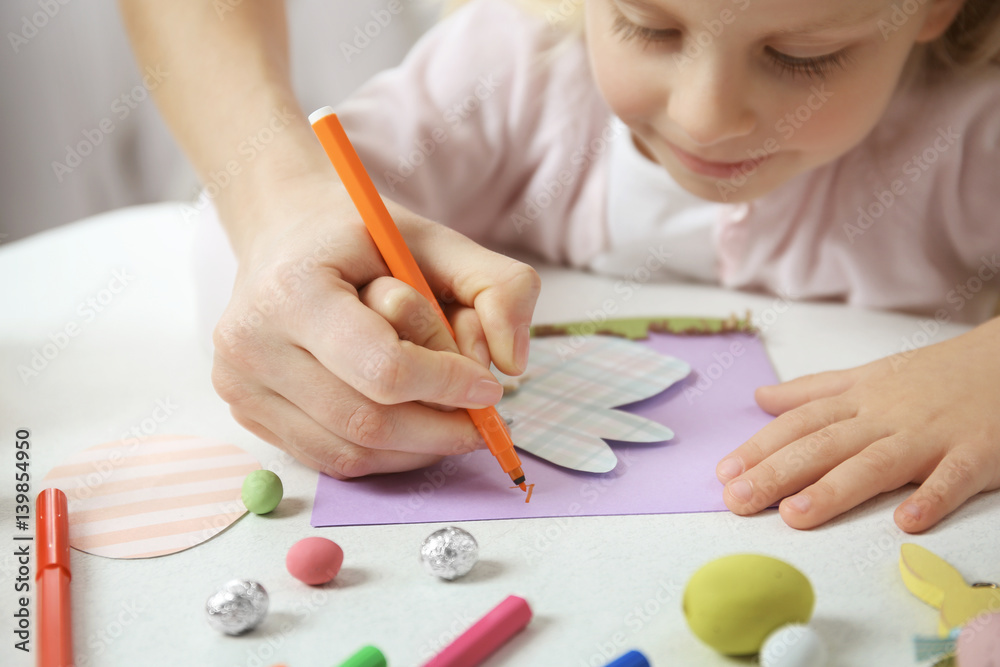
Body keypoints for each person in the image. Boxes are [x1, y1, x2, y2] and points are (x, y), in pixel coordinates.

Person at [120, 0, 1000, 533]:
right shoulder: (513, 70)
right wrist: (340, 292)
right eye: (647, 25)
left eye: (802, 56)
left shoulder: (970, 131)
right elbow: (277, 227)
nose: (706, 115)